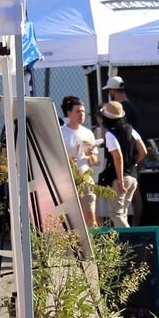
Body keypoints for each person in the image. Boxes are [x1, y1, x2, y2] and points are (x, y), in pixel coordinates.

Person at [97, 100, 146, 228]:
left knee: (116, 214)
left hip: (120, 179)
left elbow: (117, 157)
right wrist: (133, 164)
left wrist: (120, 180)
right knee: (122, 213)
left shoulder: (110, 134)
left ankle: (131, 242)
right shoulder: (131, 130)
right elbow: (143, 151)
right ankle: (126, 244)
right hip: (132, 178)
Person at [58, 95, 103, 228]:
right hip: (66, 179)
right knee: (70, 216)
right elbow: (56, 158)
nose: (81, 114)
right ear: (69, 113)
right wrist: (69, 160)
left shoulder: (88, 133)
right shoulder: (61, 132)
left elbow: (94, 161)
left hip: (85, 177)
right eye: (78, 111)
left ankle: (92, 243)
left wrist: (89, 154)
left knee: (90, 212)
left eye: (83, 111)